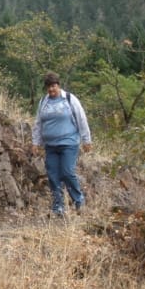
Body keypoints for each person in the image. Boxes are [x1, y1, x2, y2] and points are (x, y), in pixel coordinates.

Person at [31, 72, 92, 217]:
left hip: (69, 143)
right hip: (50, 145)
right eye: (48, 86)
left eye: (53, 86)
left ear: (58, 85)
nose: (51, 89)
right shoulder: (43, 102)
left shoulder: (69, 99)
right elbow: (38, 123)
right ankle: (58, 206)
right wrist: (35, 142)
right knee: (53, 175)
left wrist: (86, 140)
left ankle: (79, 201)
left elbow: (81, 119)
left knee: (67, 172)